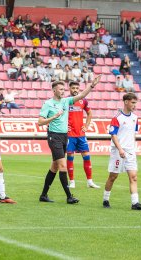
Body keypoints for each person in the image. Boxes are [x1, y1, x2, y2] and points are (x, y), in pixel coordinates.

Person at [38, 75, 101, 204]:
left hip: (64, 136)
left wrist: (92, 85)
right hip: (53, 136)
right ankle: (69, 196)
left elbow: (82, 95)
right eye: (60, 89)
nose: (63, 91)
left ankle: (43, 195)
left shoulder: (66, 101)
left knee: (54, 166)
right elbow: (40, 122)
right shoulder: (48, 104)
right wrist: (53, 117)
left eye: (63, 89)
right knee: (62, 165)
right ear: (54, 90)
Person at [103, 93, 141, 210]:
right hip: (118, 151)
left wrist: (133, 148)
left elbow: (133, 134)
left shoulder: (135, 118)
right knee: (113, 176)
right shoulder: (117, 117)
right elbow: (113, 135)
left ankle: (135, 203)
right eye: (133, 103)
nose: (134, 105)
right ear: (126, 102)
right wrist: (120, 149)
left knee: (133, 177)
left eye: (135, 103)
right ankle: (105, 199)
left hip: (130, 151)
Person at [66, 82, 100, 189]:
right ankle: (72, 182)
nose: (75, 89)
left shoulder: (83, 100)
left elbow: (90, 113)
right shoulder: (66, 101)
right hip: (70, 134)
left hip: (81, 134)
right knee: (70, 157)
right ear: (69, 89)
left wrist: (87, 125)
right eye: (73, 88)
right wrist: (64, 126)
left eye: (77, 88)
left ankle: (90, 181)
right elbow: (58, 114)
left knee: (86, 156)